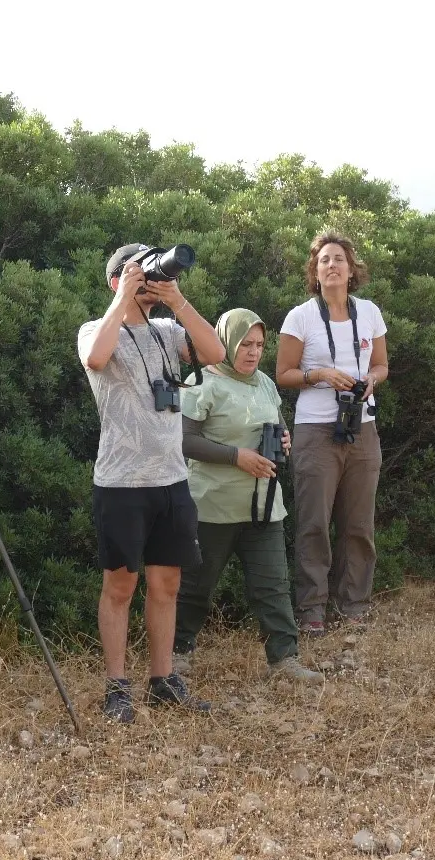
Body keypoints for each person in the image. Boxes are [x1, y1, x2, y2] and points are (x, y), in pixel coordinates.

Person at [77, 244, 226, 723]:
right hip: (121, 482)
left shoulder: (167, 331)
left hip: (171, 477)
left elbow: (216, 352)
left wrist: (178, 300)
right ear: (115, 280)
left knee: (167, 583)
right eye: (137, 272)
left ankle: (163, 680)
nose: (147, 280)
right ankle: (117, 687)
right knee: (120, 586)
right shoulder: (95, 330)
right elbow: (97, 358)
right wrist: (123, 297)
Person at [172, 308, 325, 684]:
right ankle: (176, 654)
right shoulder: (201, 381)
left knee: (274, 585)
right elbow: (183, 439)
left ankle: (285, 661)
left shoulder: (265, 384)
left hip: (263, 504)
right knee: (196, 586)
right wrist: (236, 457)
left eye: (259, 345)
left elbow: (278, 426)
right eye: (245, 344)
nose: (253, 352)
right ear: (226, 342)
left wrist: (285, 440)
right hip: (212, 505)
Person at [275, 230, 389, 637]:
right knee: (314, 523)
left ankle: (354, 603)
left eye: (339, 258)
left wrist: (370, 381)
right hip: (316, 430)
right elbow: (282, 374)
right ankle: (312, 609)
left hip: (363, 427)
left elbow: (381, 365)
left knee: (359, 523)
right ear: (315, 271)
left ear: (351, 268)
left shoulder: (370, 312)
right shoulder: (301, 316)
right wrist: (320, 375)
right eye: (324, 260)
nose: (332, 265)